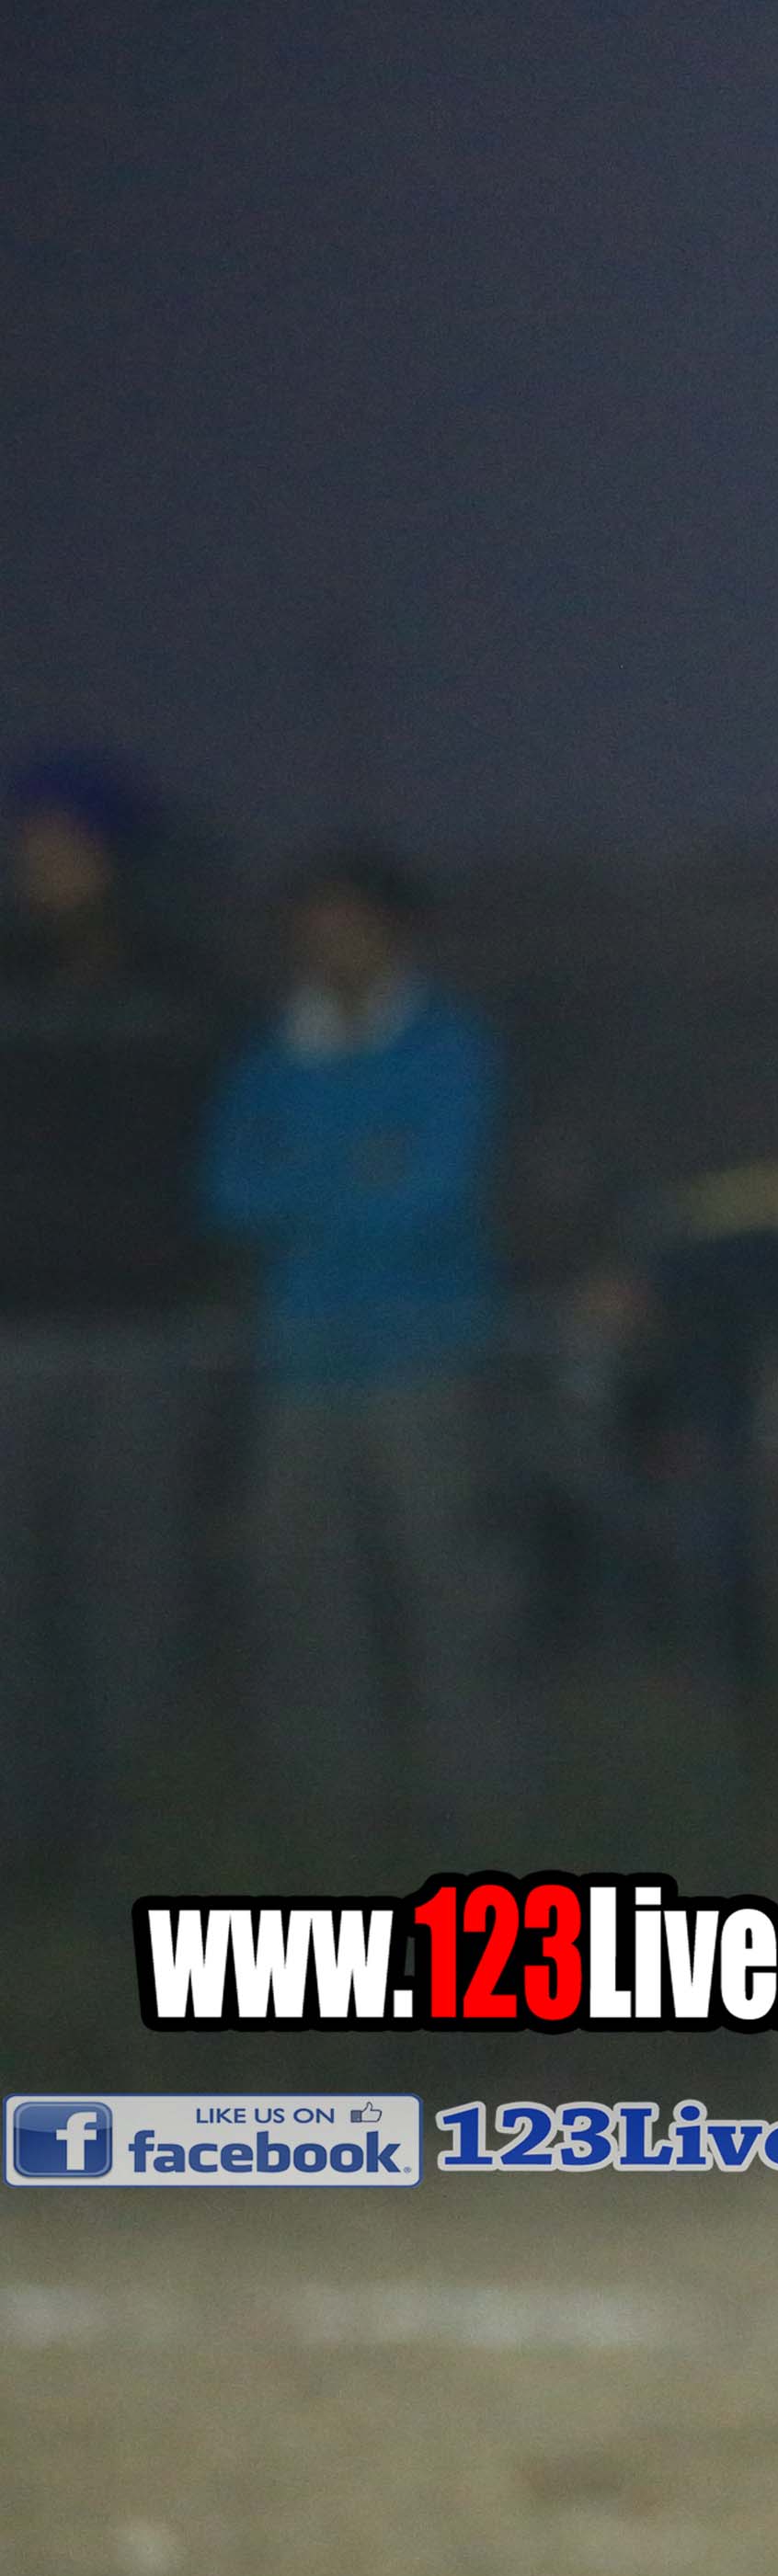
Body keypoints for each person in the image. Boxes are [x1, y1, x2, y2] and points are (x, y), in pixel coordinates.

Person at [199, 845, 528, 1843]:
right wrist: (354, 1170)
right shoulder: (270, 1055)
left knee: (448, 1576)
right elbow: (227, 1191)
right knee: (303, 1581)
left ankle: (478, 1798)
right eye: (315, 926)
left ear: (394, 932)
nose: (331, 944)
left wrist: (305, 1180)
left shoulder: (448, 1047)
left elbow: (433, 1189)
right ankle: (328, 1805)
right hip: (301, 1356)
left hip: (425, 1347)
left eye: (351, 924)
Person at [0, 751, 245, 1885]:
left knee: (129, 1587)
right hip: (16, 1326)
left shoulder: (187, 989)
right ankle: (25, 1831)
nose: (43, 867)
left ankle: (130, 1833)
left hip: (148, 1326)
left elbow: (232, 1140)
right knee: (16, 1589)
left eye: (66, 847)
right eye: (31, 847)